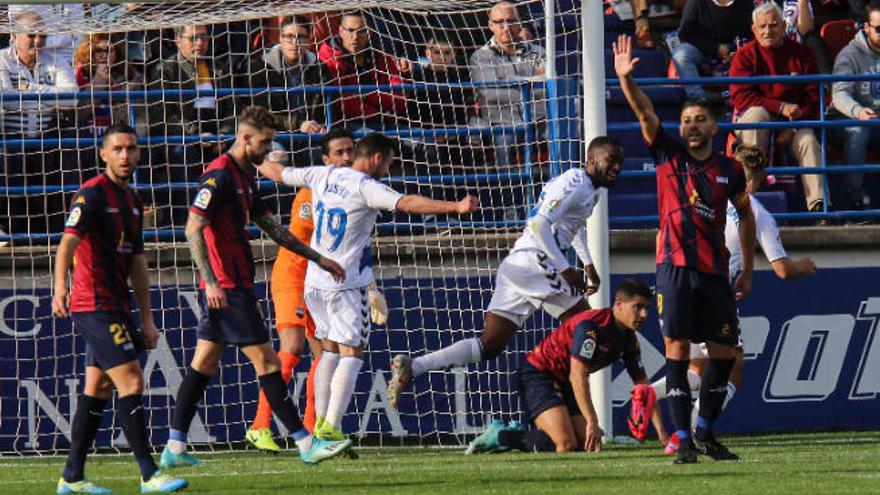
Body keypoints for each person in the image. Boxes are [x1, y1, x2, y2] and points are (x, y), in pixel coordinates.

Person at [256, 132, 479, 450]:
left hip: (315, 280)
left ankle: (320, 424)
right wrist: (455, 206)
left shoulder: (322, 174)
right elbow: (407, 203)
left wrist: (253, 158)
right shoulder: (366, 186)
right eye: (388, 162)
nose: (388, 168)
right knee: (352, 353)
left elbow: (280, 173)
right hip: (345, 283)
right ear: (376, 158)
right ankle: (331, 426)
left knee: (330, 351)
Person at [158, 106, 351, 468]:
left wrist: (317, 258)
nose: (268, 149)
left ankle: (174, 447)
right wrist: (212, 282)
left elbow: (274, 229)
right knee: (267, 361)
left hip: (235, 283)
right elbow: (192, 227)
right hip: (227, 286)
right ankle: (304, 441)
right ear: (245, 138)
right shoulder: (218, 177)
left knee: (204, 364)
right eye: (264, 143)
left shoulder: (245, 176)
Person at [387, 136, 624, 409]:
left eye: (620, 162)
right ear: (592, 159)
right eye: (611, 160)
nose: (616, 167)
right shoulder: (574, 183)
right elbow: (538, 224)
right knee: (589, 328)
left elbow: (573, 225)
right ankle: (566, 404)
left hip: (518, 264)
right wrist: (565, 269)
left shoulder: (591, 189)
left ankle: (414, 367)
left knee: (490, 344)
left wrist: (588, 265)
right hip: (536, 262)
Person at [614, 33, 757, 464]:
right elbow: (643, 111)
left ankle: (706, 431)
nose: (691, 125)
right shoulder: (668, 154)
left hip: (715, 272)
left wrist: (748, 269)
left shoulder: (730, 170)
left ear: (714, 127)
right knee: (676, 351)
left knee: (725, 356)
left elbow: (746, 215)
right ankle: (682, 440)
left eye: (699, 119)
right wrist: (626, 80)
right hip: (674, 268)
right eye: (687, 119)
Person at [641, 143, 817, 453]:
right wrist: (805, 266)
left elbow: (662, 233)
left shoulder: (696, 194)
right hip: (713, 289)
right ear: (757, 179)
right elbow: (781, 269)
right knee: (731, 364)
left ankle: (654, 394)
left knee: (694, 364)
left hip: (676, 279)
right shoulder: (757, 213)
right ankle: (692, 432)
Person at [52, 124, 188, 494]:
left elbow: (138, 264)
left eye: (131, 148)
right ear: (104, 154)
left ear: (139, 153)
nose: (125, 155)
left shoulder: (133, 201)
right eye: (118, 149)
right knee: (130, 379)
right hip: (93, 302)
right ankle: (149, 474)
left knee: (97, 387)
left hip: (117, 302)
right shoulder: (92, 195)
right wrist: (59, 287)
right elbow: (67, 244)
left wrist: (146, 317)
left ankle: (72, 477)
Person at [245, 129, 388, 453]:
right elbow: (306, 237)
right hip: (295, 276)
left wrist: (371, 285)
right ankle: (259, 426)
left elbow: (353, 249)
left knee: (324, 356)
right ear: (325, 161)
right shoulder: (314, 192)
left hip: (325, 281)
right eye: (338, 153)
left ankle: (316, 431)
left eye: (350, 150)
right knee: (292, 347)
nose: (347, 157)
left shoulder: (354, 191)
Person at [466, 280, 653, 455]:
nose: (643, 314)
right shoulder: (592, 326)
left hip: (565, 380)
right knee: (564, 445)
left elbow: (644, 386)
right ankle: (501, 436)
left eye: (646, 308)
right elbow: (577, 375)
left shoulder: (628, 339)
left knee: (585, 445)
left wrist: (662, 434)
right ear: (618, 304)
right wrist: (592, 421)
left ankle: (524, 435)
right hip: (538, 374)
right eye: (638, 307)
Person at [729, 2, 827, 219]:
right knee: (757, 116)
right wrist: (780, 107)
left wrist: (792, 128)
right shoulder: (744, 55)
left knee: (808, 141)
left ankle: (819, 207)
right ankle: (749, 196)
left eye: (773, 25)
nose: (768, 31)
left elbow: (812, 98)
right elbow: (741, 97)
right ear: (753, 30)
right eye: (762, 27)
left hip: (794, 123)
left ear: (784, 26)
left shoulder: (802, 53)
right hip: (758, 119)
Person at [0, 10, 78, 236]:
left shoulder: (55, 59)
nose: (38, 40)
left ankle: (59, 232)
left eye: (42, 35)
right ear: (14, 35)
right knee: (10, 168)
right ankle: (11, 232)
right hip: (12, 137)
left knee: (69, 153)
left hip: (46, 135)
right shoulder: (2, 60)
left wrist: (31, 90)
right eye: (31, 35)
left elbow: (72, 97)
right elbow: (8, 102)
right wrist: (52, 98)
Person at [237, 16, 328, 166]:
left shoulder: (319, 68)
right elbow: (261, 113)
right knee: (278, 158)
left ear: (309, 39)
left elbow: (327, 105)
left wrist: (321, 126)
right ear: (280, 38)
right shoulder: (259, 67)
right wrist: (299, 124)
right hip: (273, 135)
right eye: (289, 37)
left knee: (325, 158)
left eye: (300, 37)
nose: (295, 42)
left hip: (309, 137)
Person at [470, 1, 547, 169]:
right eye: (499, 22)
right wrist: (530, 82)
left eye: (511, 21)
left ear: (519, 23)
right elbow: (491, 94)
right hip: (502, 124)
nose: (506, 26)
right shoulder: (480, 57)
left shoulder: (538, 52)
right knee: (504, 142)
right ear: (490, 25)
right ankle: (504, 191)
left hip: (538, 120)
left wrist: (508, 80)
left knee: (562, 132)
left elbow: (547, 88)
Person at [317, 12, 409, 129]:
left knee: (421, 139)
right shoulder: (328, 57)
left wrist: (366, 96)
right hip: (344, 126)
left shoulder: (380, 57)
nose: (355, 37)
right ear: (341, 31)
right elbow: (342, 104)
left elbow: (401, 98)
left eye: (361, 31)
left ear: (369, 32)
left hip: (385, 123)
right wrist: (379, 111)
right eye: (350, 30)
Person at [831, 0, 880, 214]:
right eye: (879, 29)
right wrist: (858, 111)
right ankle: (856, 202)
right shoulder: (849, 54)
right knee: (858, 131)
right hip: (848, 121)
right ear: (866, 27)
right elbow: (839, 93)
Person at [672, 0, 753, 99]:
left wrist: (736, 51)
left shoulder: (746, 3)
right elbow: (685, 34)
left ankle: (743, 96)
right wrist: (715, 49)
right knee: (681, 55)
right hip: (702, 49)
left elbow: (751, 34)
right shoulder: (695, 3)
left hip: (735, 50)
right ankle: (699, 99)